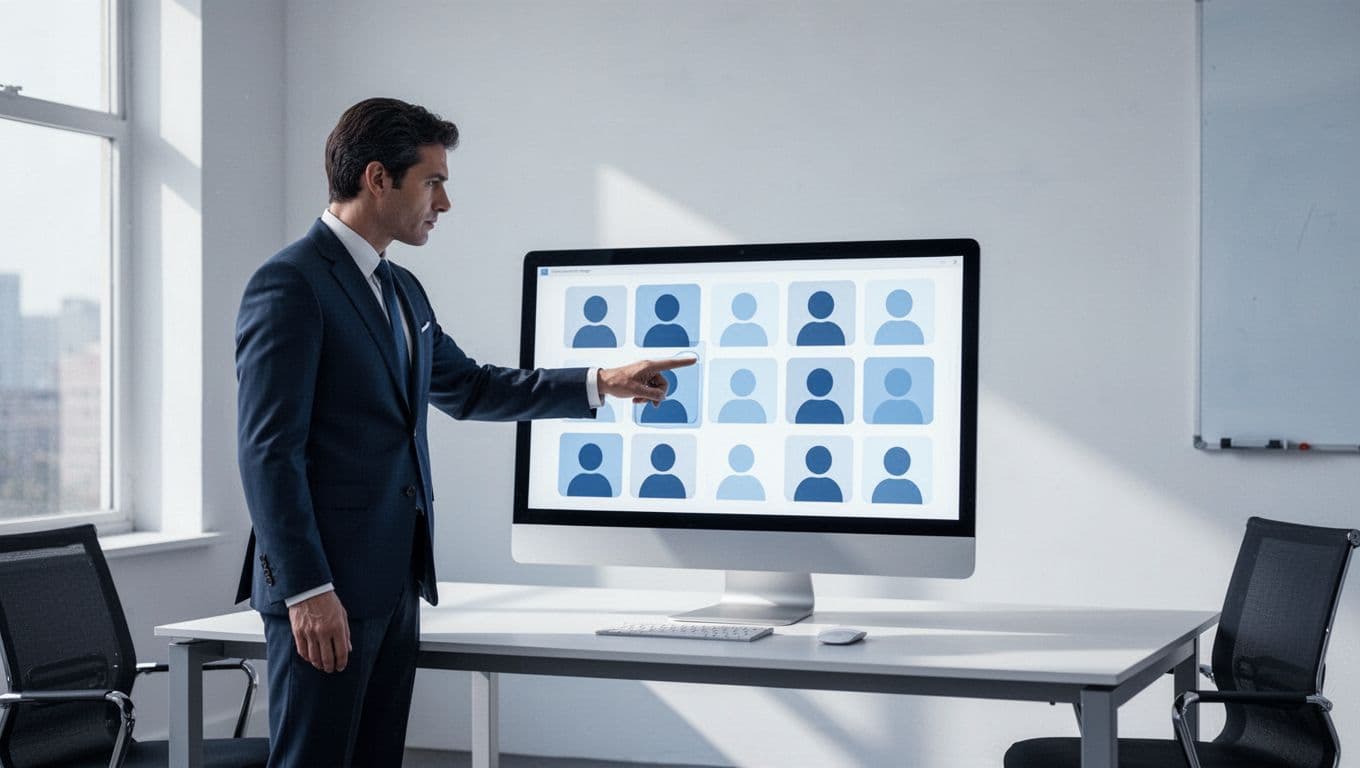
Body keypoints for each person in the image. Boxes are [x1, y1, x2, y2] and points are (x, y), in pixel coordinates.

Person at [234, 97, 692, 768]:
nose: (444, 202)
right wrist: (307, 591)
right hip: (325, 591)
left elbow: (472, 388)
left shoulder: (402, 290)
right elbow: (268, 453)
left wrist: (601, 381)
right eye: (433, 180)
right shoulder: (290, 285)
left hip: (391, 585)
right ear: (377, 179)